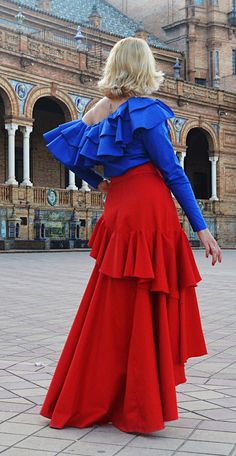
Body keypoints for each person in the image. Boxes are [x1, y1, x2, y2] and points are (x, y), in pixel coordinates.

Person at [40, 37, 222, 434]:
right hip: (148, 209)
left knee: (110, 304)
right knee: (145, 299)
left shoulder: (101, 108)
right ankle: (140, 402)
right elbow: (173, 174)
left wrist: (97, 181)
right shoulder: (148, 112)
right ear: (145, 67)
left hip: (119, 206)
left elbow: (65, 146)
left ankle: (93, 393)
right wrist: (202, 227)